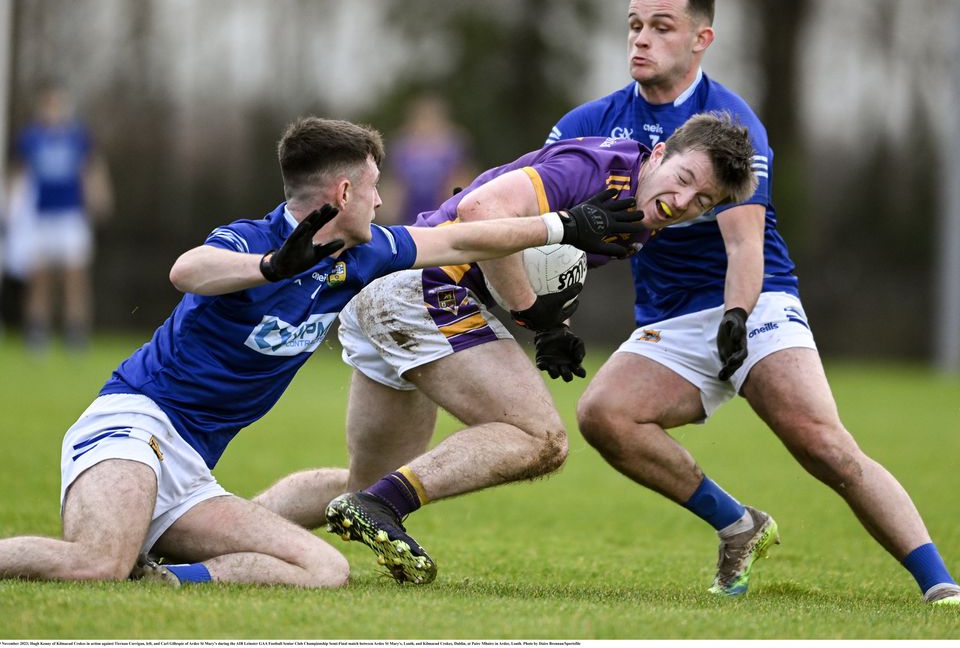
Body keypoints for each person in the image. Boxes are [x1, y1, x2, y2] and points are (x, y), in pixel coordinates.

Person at [0, 117, 645, 589]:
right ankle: (122, 565)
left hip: (193, 471)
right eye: (373, 187)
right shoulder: (250, 238)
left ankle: (171, 583)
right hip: (133, 427)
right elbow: (188, 271)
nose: (382, 200)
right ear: (342, 193)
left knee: (324, 567)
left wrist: (562, 226)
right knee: (95, 564)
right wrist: (270, 266)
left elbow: (458, 239)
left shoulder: (365, 253)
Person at [548, 0, 959, 604]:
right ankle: (740, 524)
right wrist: (545, 312)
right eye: (635, 25)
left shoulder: (732, 127)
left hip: (755, 300)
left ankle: (941, 586)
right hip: (670, 316)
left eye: (662, 27)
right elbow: (542, 222)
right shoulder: (591, 122)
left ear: (700, 39)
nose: (641, 40)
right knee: (605, 415)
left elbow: (744, 244)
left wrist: (737, 318)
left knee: (822, 445)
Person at [252, 111, 758, 585]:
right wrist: (532, 315)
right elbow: (481, 208)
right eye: (686, 179)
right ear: (660, 153)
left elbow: (545, 257)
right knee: (540, 438)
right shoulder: (603, 168)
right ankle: (384, 507)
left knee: (366, 483)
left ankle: (207, 534)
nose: (685, 201)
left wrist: (553, 325)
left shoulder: (640, 216)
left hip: (388, 290)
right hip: (420, 285)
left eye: (703, 202)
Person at [11, 86, 113, 351]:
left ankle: (76, 332)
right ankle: (37, 332)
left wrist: (99, 196)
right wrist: (11, 207)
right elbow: (18, 173)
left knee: (74, 275)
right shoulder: (31, 138)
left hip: (71, 215)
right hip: (40, 217)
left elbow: (91, 169)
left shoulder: (77, 137)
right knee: (40, 277)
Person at [381, 94, 476, 224]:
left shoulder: (453, 144)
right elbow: (394, 183)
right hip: (409, 215)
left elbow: (461, 177)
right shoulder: (401, 146)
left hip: (443, 214)